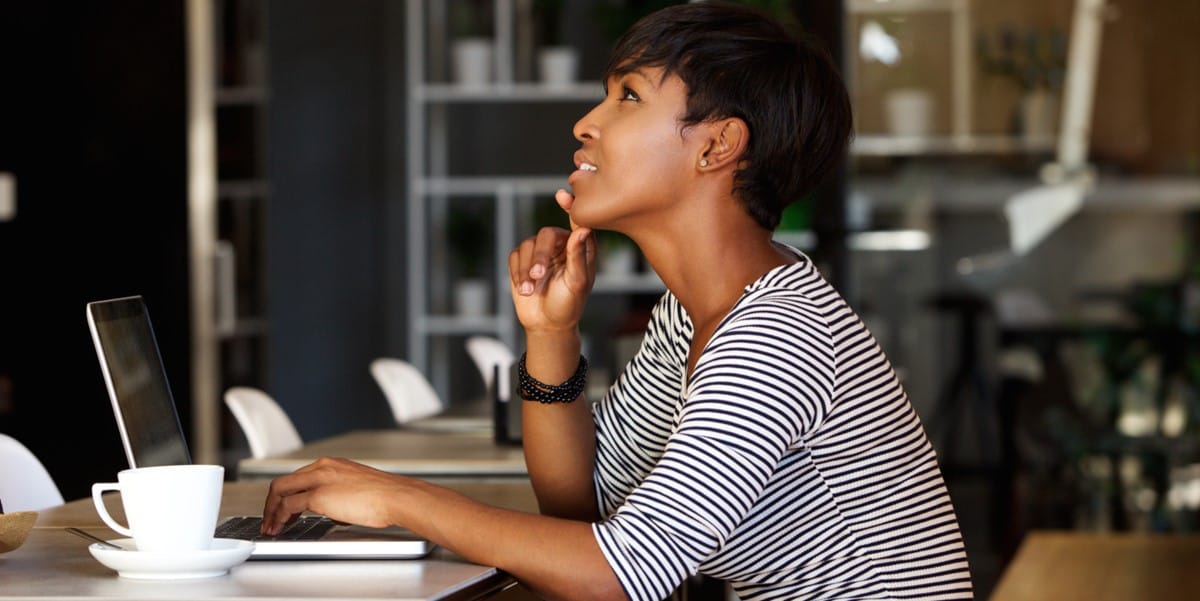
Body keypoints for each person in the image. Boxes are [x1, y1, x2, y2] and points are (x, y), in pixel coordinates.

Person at [260, 2, 974, 599]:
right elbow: (585, 507)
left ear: (718, 145)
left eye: (628, 96)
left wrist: (397, 499)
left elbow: (623, 571)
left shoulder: (777, 331)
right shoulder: (693, 315)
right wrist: (551, 333)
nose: (586, 123)